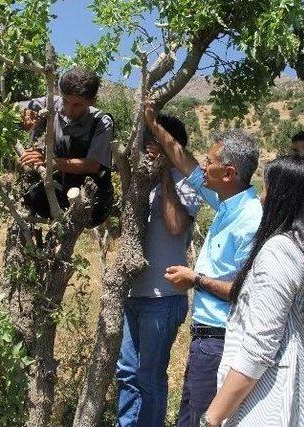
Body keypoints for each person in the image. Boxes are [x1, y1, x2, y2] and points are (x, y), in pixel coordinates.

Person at [201, 154, 304, 427]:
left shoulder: (282, 251)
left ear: (284, 196)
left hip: (272, 409)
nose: (261, 198)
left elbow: (258, 349)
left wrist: (211, 418)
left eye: (267, 189)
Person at [144, 103, 262, 427]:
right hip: (205, 339)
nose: (203, 166)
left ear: (229, 174)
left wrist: (194, 279)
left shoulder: (250, 220)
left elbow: (243, 291)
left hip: (220, 340)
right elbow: (185, 161)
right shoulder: (225, 203)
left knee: (204, 420)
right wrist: (154, 125)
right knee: (189, 418)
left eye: (210, 162)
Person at [115, 114, 202, 427]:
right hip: (133, 293)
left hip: (163, 297)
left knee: (149, 376)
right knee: (126, 373)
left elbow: (177, 225)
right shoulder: (139, 182)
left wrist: (165, 174)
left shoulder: (187, 184)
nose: (149, 150)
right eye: (147, 144)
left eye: (157, 144)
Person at [19, 67, 113, 225]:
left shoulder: (102, 122)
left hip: (92, 198)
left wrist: (49, 162)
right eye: (65, 101)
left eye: (77, 105)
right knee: (32, 198)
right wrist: (25, 117)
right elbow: (18, 109)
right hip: (62, 186)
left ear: (92, 101)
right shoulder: (53, 104)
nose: (69, 110)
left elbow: (93, 165)